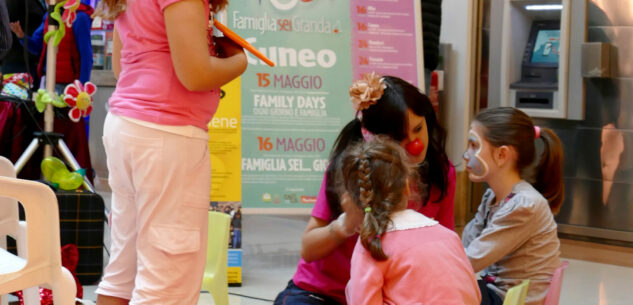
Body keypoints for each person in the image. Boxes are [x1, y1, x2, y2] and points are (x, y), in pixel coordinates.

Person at [93, 0, 246, 304]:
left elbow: (121, 65)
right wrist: (239, 61)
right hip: (167, 135)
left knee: (125, 269)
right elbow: (196, 74)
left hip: (129, 125)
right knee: (165, 284)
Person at [274, 72, 455, 305]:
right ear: (375, 140)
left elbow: (446, 240)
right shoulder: (348, 169)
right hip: (324, 294)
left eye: (419, 128)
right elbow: (309, 249)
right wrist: (345, 225)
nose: (415, 144)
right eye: (399, 137)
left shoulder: (441, 171)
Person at [340, 137, 480, 305]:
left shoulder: (373, 244)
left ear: (354, 201)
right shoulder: (448, 236)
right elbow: (474, 295)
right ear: (407, 186)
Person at [461, 107, 564, 305]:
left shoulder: (524, 205)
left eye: (474, 145)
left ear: (502, 155)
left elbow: (470, 260)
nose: (467, 154)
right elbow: (466, 245)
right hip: (496, 292)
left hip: (510, 300)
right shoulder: (493, 195)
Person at [9, 0, 93, 90]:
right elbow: (37, 47)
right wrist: (21, 36)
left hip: (70, 85)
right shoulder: (49, 16)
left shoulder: (79, 17)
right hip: (48, 81)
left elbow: (86, 56)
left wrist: (82, 87)